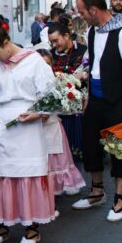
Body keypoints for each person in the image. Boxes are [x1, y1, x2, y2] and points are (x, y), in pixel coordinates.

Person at [0, 15, 56, 243]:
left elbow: (51, 96)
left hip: (28, 126)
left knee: (26, 176)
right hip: (3, 123)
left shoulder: (34, 61)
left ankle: (32, 228)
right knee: (0, 175)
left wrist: (38, 114)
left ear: (6, 42)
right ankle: (2, 225)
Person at [73, 0, 122, 222]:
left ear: (94, 10)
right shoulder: (93, 31)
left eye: (82, 12)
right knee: (90, 147)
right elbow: (93, 66)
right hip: (95, 100)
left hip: (117, 102)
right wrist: (87, 98)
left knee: (118, 151)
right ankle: (96, 192)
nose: (81, 16)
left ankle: (119, 202)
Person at [36, 49, 86, 198]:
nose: (45, 67)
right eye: (41, 64)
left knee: (58, 160)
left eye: (48, 64)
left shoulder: (57, 81)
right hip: (37, 128)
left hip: (53, 125)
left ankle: (61, 184)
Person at [48, 23, 88, 160]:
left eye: (55, 40)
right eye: (51, 42)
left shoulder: (83, 51)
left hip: (80, 103)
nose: (53, 45)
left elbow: (87, 73)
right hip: (59, 105)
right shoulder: (50, 54)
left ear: (66, 36)